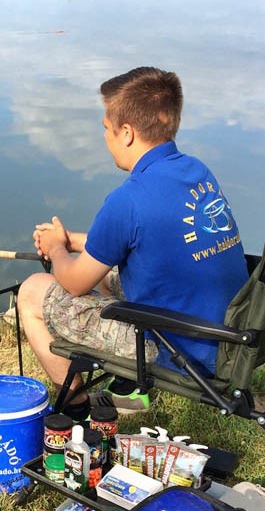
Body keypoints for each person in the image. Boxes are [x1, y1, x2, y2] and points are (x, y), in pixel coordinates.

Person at [17, 67, 247, 421]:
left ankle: (78, 407)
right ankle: (126, 389)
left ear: (126, 133)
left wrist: (57, 249)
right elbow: (146, 239)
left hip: (177, 346)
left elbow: (75, 283)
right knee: (108, 272)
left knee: (32, 292)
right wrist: (73, 241)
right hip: (225, 328)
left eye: (106, 129)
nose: (105, 138)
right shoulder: (196, 171)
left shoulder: (128, 199)